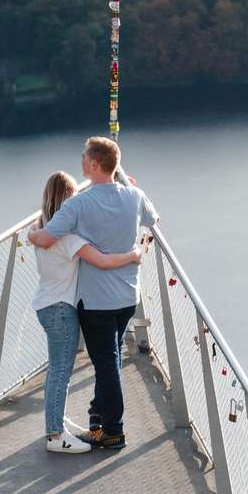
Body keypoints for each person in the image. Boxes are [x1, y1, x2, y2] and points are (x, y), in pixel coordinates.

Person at [28, 136, 158, 450]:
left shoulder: (78, 205)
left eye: (85, 157)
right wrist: (127, 188)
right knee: (109, 359)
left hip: (97, 301)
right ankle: (98, 422)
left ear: (95, 164)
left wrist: (31, 232)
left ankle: (112, 430)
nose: (82, 161)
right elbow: (153, 220)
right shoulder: (134, 195)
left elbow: (46, 238)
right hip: (128, 295)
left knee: (107, 364)